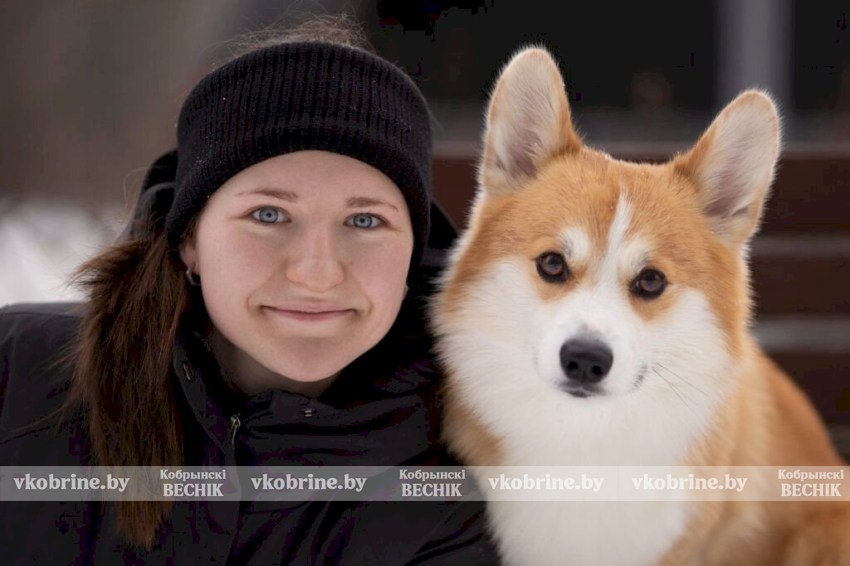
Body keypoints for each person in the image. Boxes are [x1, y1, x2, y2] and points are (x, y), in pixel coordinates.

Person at [0, 17, 498, 564]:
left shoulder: (467, 482)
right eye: (269, 214)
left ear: (413, 251)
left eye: (364, 222)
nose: (317, 272)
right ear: (190, 237)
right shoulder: (18, 377)